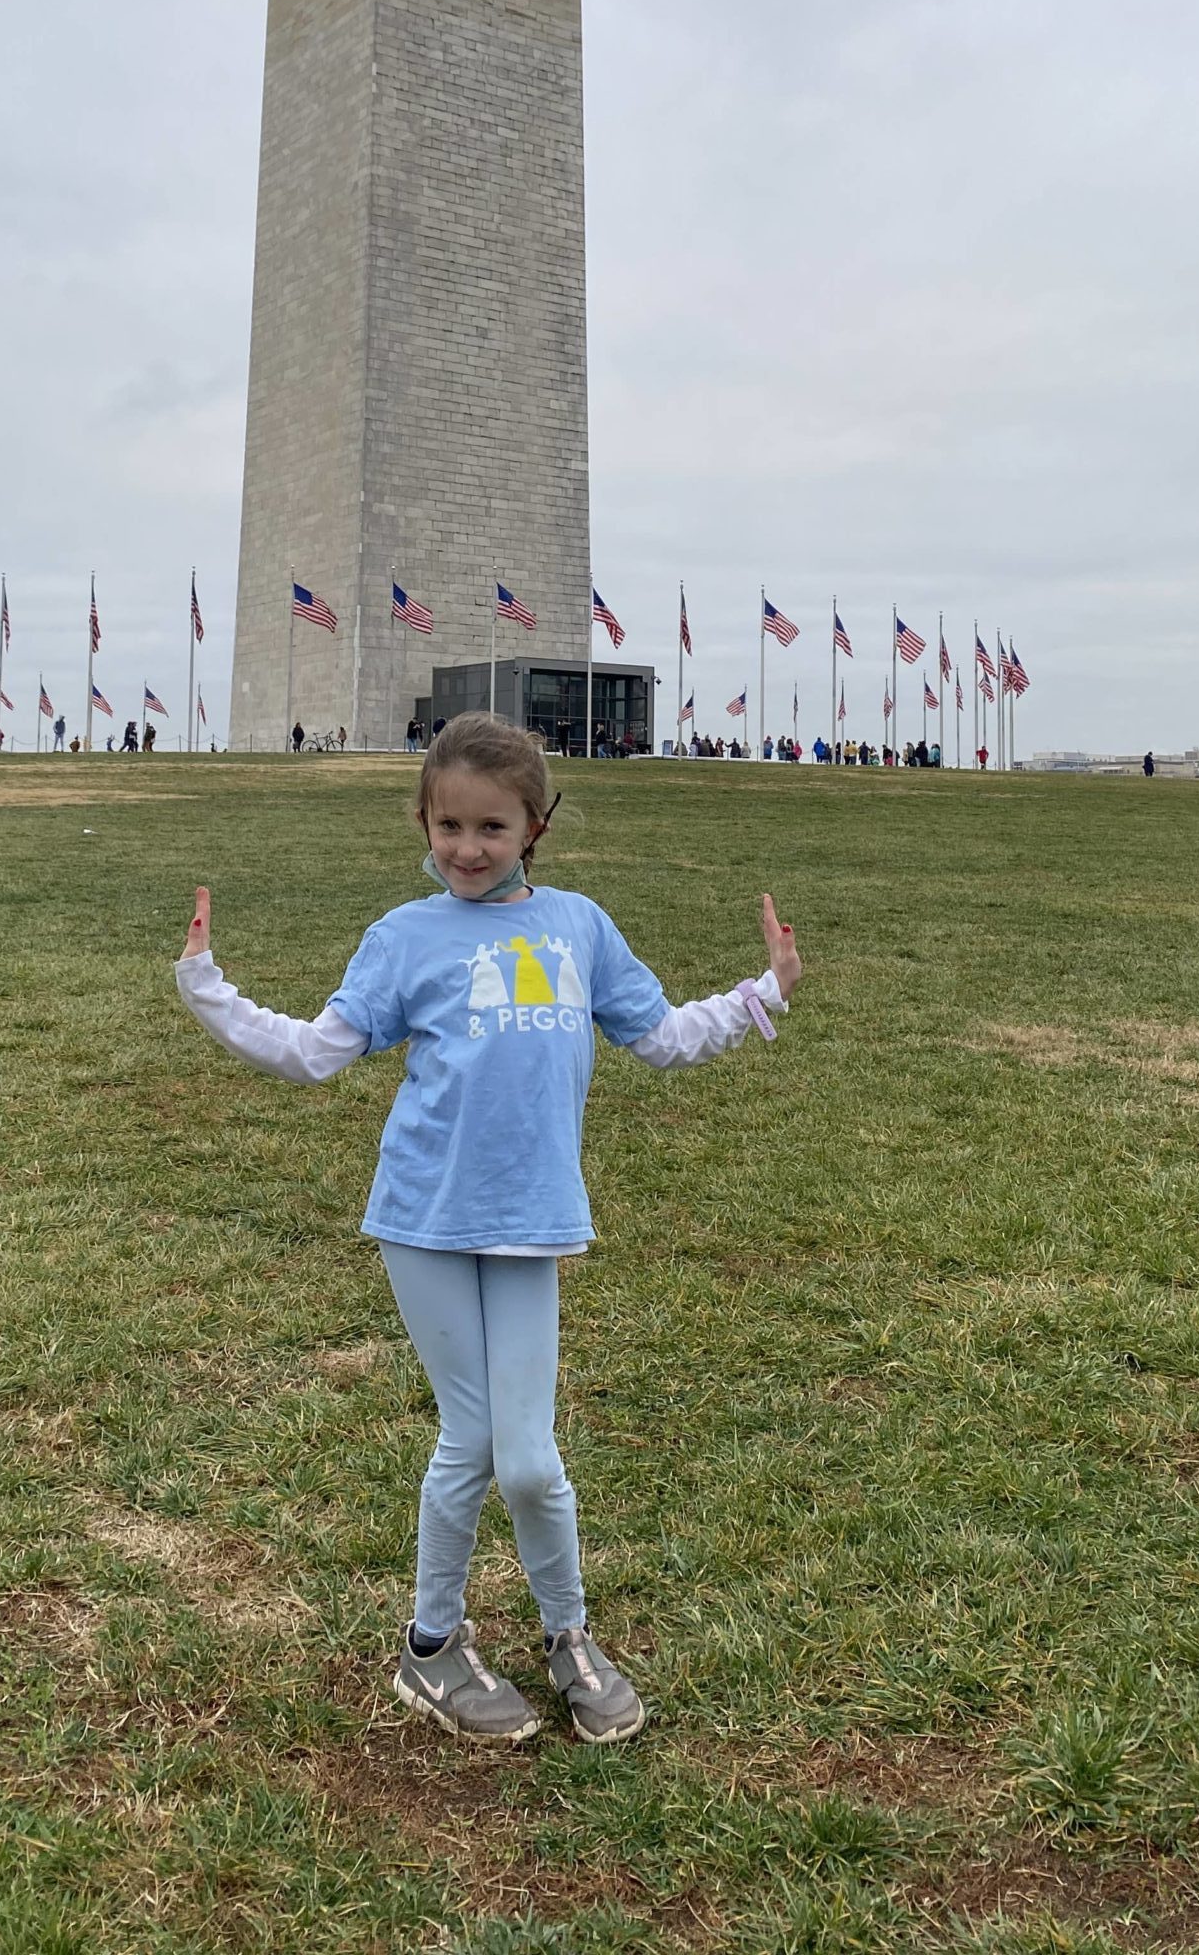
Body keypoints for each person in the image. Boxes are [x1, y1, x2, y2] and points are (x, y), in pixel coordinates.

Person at [173, 711, 802, 1748]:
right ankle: (431, 1649)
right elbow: (315, 1053)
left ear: (535, 828)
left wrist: (759, 994)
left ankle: (569, 1635)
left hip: (530, 1221)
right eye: (449, 824)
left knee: (529, 1462)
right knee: (468, 1438)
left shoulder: (580, 927)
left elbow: (661, 1036)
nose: (467, 848)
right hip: (424, 1219)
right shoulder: (403, 937)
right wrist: (208, 988)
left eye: (492, 827)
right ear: (422, 818)